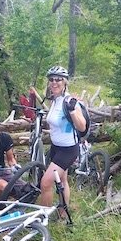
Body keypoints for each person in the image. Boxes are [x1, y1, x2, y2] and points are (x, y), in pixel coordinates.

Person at [40, 66, 86, 217]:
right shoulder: (55, 99)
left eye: (58, 79)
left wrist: (73, 110)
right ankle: (63, 213)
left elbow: (81, 126)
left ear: (65, 81)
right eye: (51, 79)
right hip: (56, 148)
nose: (54, 82)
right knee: (63, 180)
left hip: (68, 150)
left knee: (46, 183)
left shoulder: (70, 101)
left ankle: (42, 219)